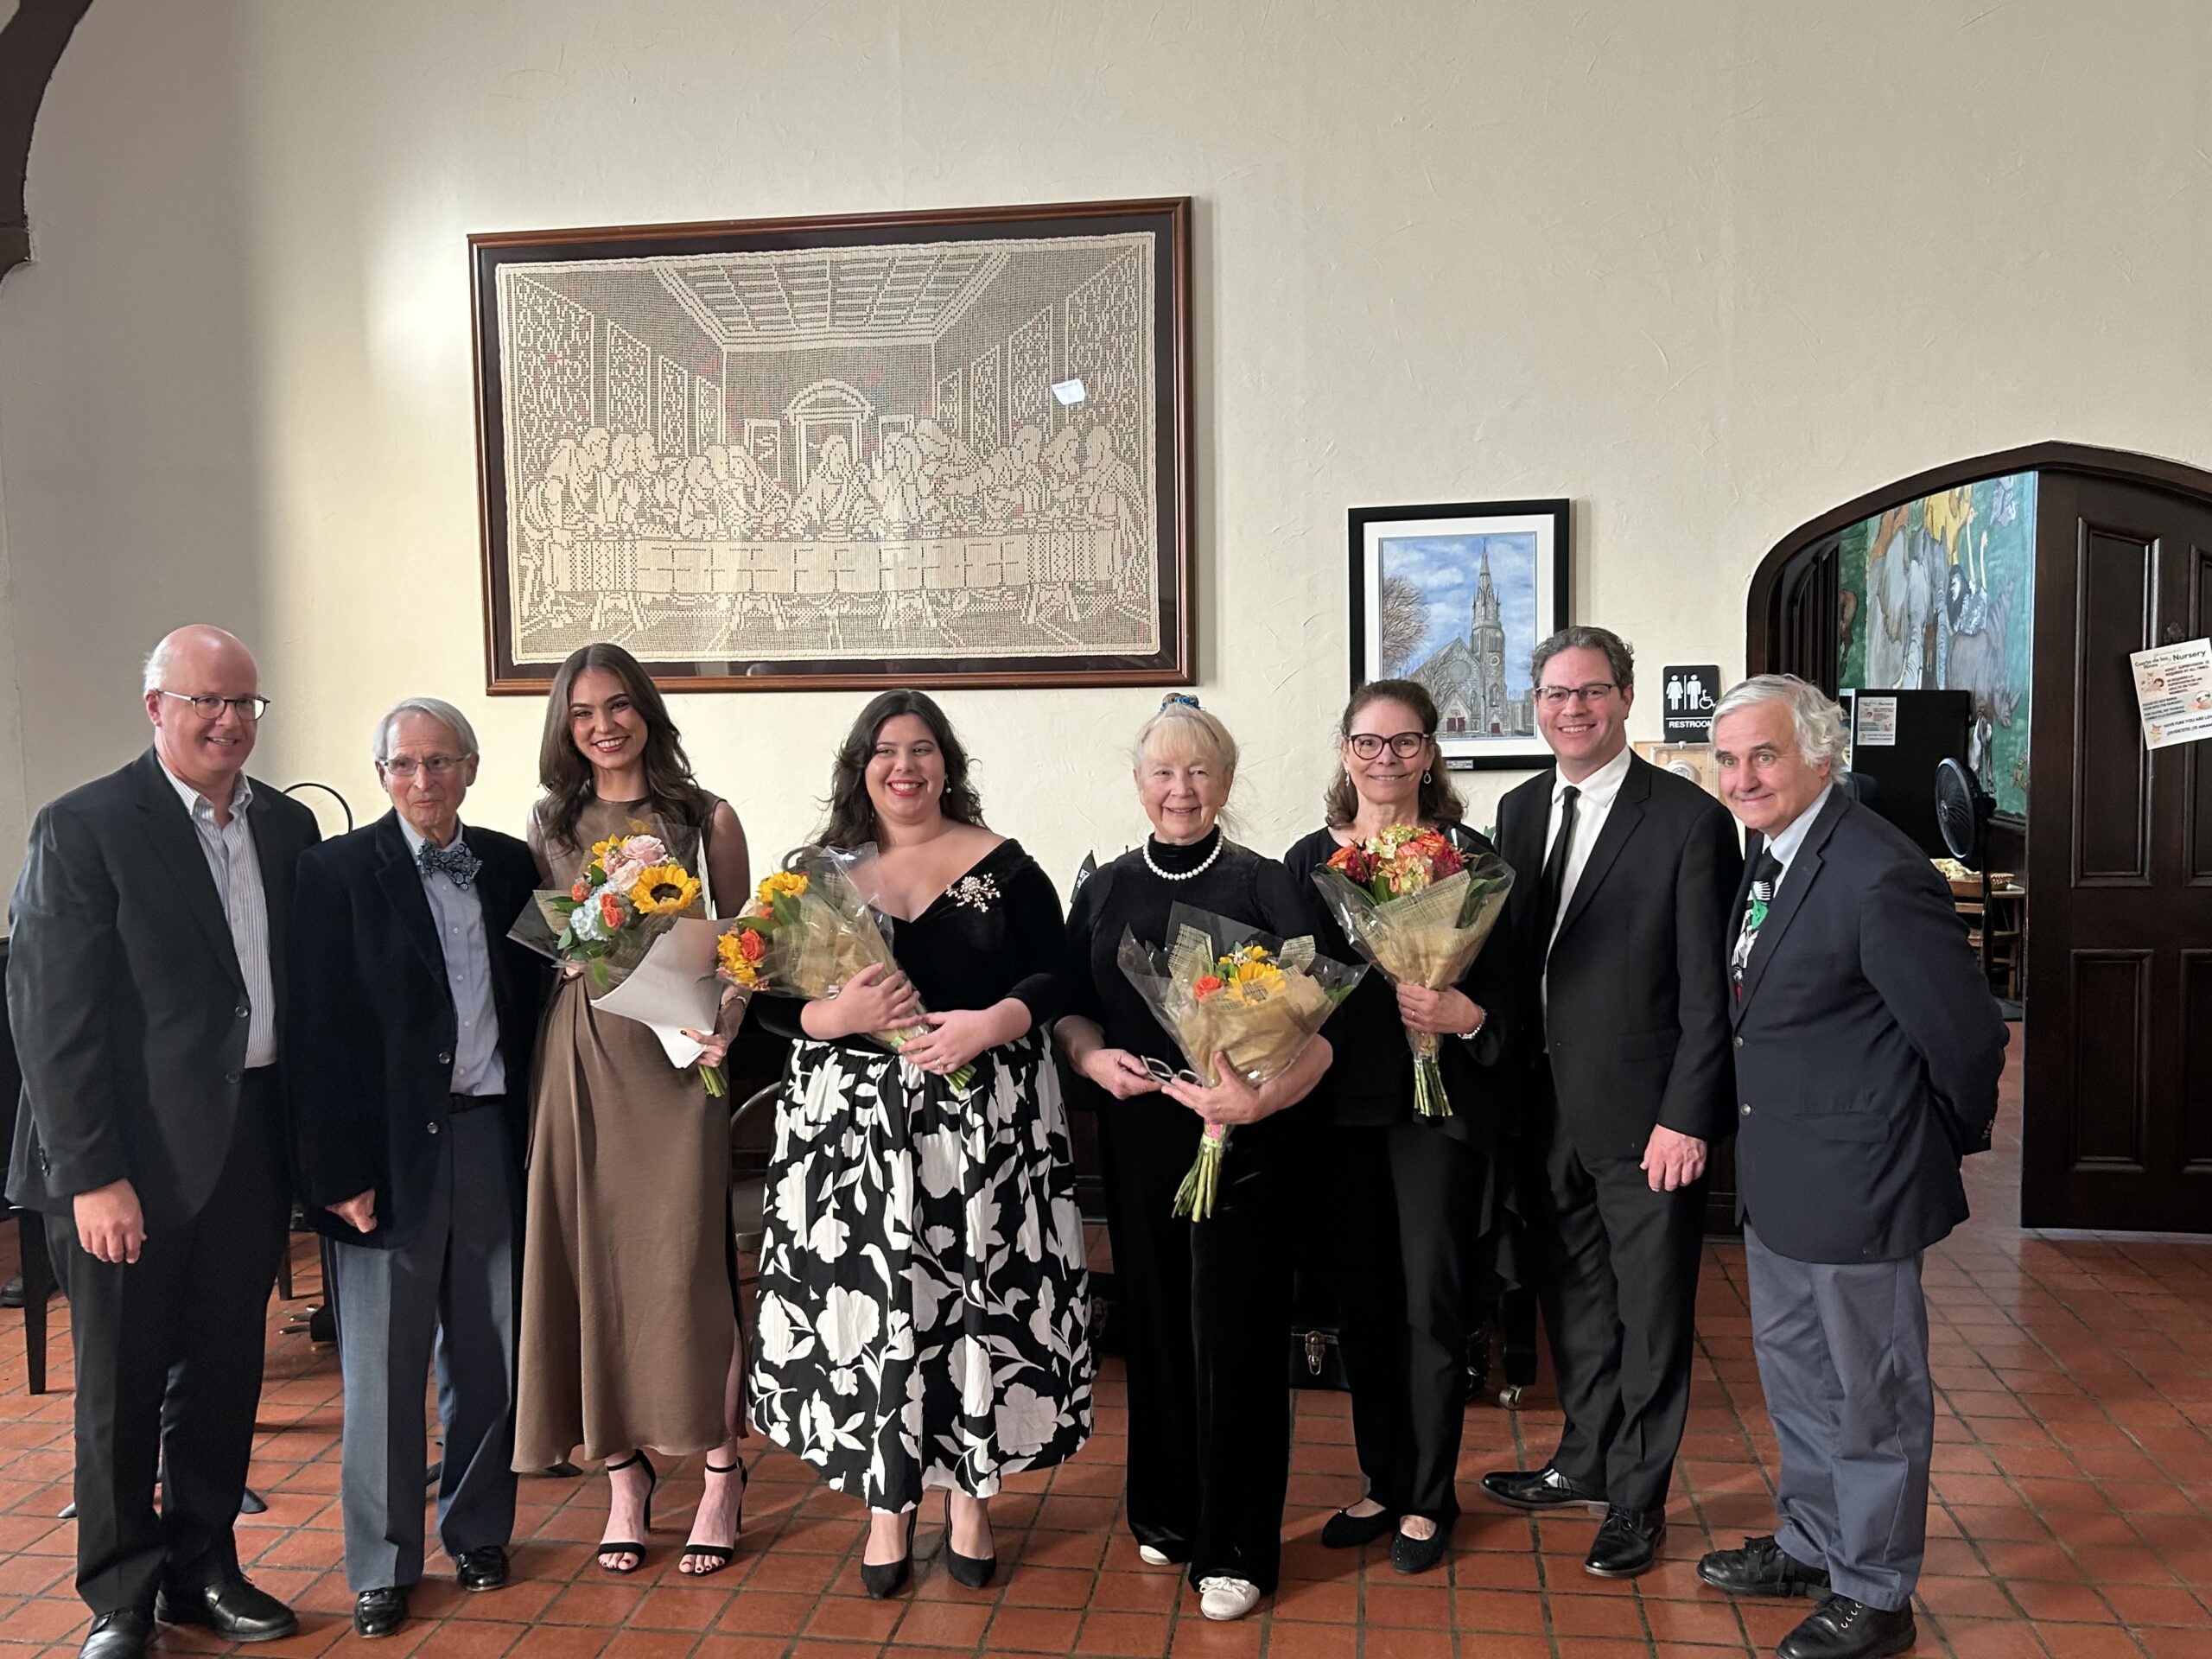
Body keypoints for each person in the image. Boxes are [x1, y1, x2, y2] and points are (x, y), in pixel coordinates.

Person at [6, 626, 318, 1659]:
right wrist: (91, 1175)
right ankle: (121, 1598)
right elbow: (53, 1022)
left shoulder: (284, 827)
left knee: (225, 1374)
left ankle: (204, 1567)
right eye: (205, 702)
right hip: (121, 1166)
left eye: (244, 704)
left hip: (247, 1147)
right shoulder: (87, 824)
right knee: (121, 1388)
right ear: (155, 707)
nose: (228, 721)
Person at [749, 690, 1090, 1599]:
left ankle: (970, 1496)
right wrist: (835, 1014)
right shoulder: (813, 876)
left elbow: (1057, 970)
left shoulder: (1005, 867)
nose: (906, 766)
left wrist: (992, 1024)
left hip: (983, 1124)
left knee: (972, 1303)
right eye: (886, 750)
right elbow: (764, 1001)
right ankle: (886, 1502)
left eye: (923, 749)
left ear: (948, 764)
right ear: (860, 767)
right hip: (853, 1141)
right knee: (878, 1312)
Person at [1698, 676, 2005, 1659]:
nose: (1742, 777)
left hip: (1860, 1179)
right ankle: (1814, 1540)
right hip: (1784, 1175)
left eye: (1765, 755)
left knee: (1873, 1395)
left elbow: (1963, 1035)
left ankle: (1875, 1593)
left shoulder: (1876, 869)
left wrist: (1933, 1138)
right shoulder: (1772, 852)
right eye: (1729, 757)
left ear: (1820, 756)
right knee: (1797, 1379)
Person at [1054, 696, 1332, 1622]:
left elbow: (1325, 1034)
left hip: (1247, 1136)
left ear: (1225, 779)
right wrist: (1092, 1057)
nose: (1180, 789)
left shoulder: (1268, 884)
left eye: (1199, 771)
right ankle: (1167, 1510)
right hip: (1140, 1132)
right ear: (1139, 784)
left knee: (1237, 1338)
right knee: (1159, 1330)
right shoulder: (1103, 886)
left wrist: (1255, 1098)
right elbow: (1070, 1008)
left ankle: (1238, 1546)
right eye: (1163, 773)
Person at [286, 699, 551, 1639]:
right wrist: (335, 1172)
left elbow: (545, 1004)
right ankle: (383, 1562)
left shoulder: (513, 866)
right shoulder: (332, 872)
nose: (425, 781)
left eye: (443, 763)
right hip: (384, 1155)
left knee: (486, 1356)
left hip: (490, 1137)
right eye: (406, 764)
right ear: (382, 776)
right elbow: (314, 1036)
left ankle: (478, 1529)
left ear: (472, 770)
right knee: (383, 1366)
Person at [1478, 626, 1741, 1579]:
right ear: (1534, 705)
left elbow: (1710, 990)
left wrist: (1687, 1116)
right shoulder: (1513, 812)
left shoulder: (1685, 819)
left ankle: (1637, 1498)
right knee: (1575, 1299)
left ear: (1624, 698)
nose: (1571, 710)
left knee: (1653, 1310)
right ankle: (1582, 1461)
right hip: (1541, 1105)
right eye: (1554, 694)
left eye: (1590, 692)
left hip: (1643, 1117)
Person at [512, 643, 753, 1578]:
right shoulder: (551, 819)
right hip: (586, 1053)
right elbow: (558, 941)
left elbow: (744, 943)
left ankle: (721, 1470)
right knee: (592, 1255)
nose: (603, 724)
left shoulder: (707, 816)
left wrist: (722, 1022)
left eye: (618, 705)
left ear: (646, 709)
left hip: (680, 1059)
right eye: (583, 712)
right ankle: (623, 1473)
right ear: (565, 727)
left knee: (686, 1259)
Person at [1281, 679, 1520, 1577]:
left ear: (1431, 752)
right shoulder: (1307, 860)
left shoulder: (1468, 857)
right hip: (1338, 1113)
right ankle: (1382, 1480)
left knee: (1429, 1305)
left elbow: (1508, 997)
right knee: (1364, 1305)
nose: (1386, 760)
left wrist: (1461, 1016)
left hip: (1435, 1111)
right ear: (1344, 752)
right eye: (1367, 743)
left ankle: (1428, 1496)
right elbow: (1288, 985)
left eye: (1405, 742)